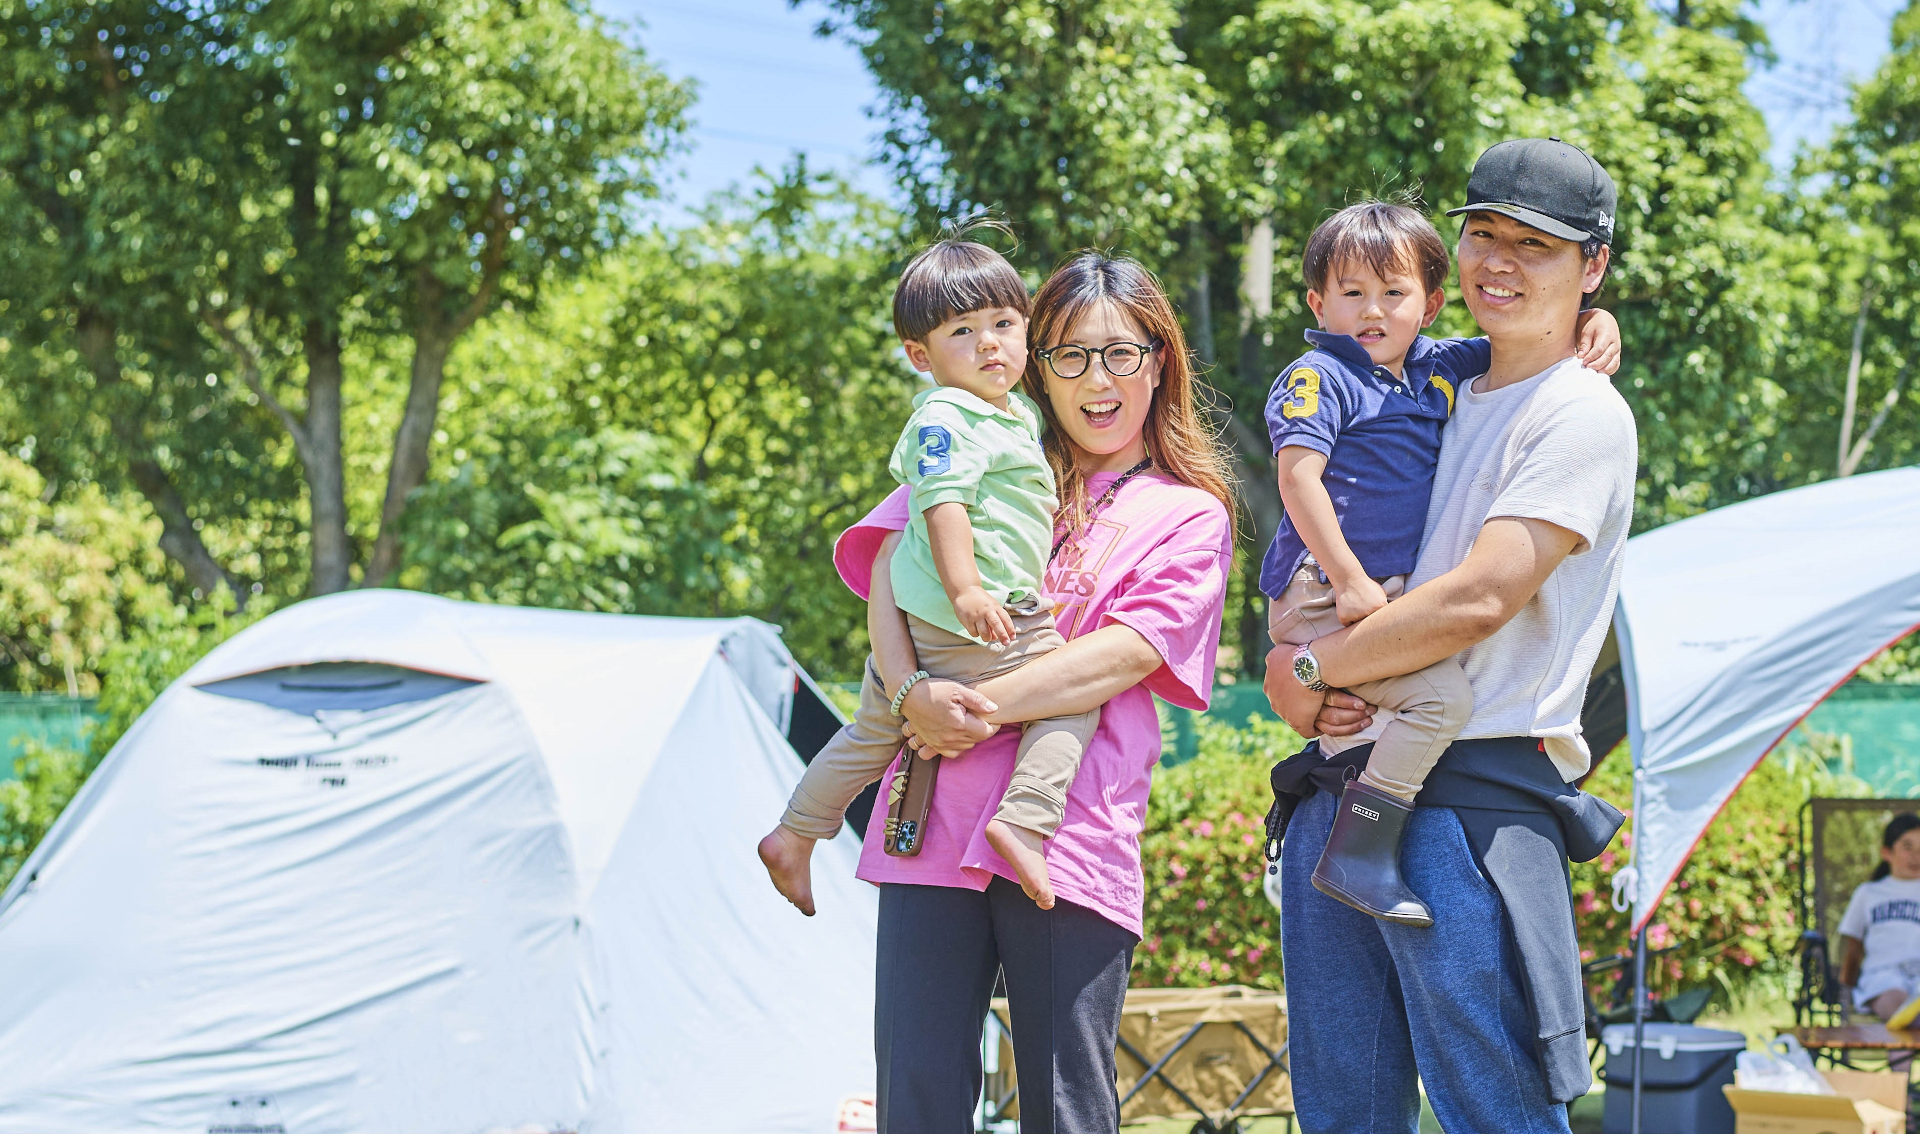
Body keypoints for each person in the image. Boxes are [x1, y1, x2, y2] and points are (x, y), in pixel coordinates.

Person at [1264, 138, 1636, 1133]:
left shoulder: (1579, 412)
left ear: (1592, 267)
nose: (1501, 263)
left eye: (1539, 247)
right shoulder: (1417, 381)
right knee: (1340, 1115)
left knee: (1496, 1113)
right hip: (1333, 787)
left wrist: (1308, 666)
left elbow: (1480, 598)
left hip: (1462, 812)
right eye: (1484, 236)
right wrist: (1298, 673)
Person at [841, 252, 1235, 1133]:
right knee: (916, 1099)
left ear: (1159, 360)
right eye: (1069, 356)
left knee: (1065, 1108)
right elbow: (887, 579)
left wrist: (966, 706)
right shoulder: (979, 450)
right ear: (1034, 364)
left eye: (1122, 354)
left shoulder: (1189, 514)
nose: (1098, 381)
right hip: (930, 818)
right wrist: (909, 693)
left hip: (1068, 837)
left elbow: (1122, 657)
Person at [1261, 200, 1620, 926]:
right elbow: (1297, 478)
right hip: (1325, 589)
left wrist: (1597, 321)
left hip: (1377, 606)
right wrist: (1347, 588)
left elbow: (1518, 341)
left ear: (1428, 307)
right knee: (1440, 700)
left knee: (1404, 697)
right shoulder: (1320, 374)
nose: (1372, 311)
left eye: (1393, 294)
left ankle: (1359, 835)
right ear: (1316, 302)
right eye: (1351, 293)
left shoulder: (1427, 368)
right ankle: (1361, 846)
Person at [758, 227, 1098, 914]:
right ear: (921, 355)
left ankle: (795, 832)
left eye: (1004, 324)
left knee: (874, 733)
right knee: (1074, 698)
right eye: (963, 332)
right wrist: (967, 587)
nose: (990, 344)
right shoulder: (947, 415)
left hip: (927, 621)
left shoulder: (1011, 414)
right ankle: (1025, 820)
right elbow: (943, 502)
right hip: (965, 617)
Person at [1838, 812, 1920, 1036]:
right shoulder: (1869, 893)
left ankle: (1901, 1070)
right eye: (1908, 847)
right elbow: (1851, 945)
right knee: (1898, 1006)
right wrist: (1844, 987)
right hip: (1883, 977)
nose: (1916, 855)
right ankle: (1907, 1019)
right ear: (1886, 852)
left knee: (1906, 1016)